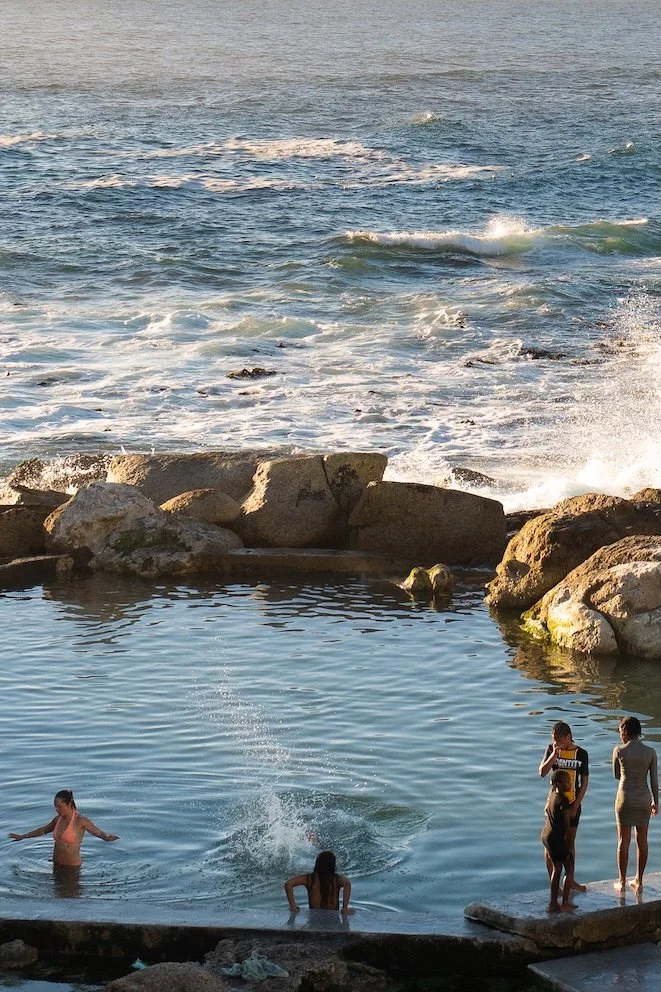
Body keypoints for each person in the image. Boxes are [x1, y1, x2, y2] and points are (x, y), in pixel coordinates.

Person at [8, 789, 119, 868]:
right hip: (56, 865)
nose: (56, 809)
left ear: (69, 804)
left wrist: (107, 837)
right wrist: (22, 836)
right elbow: (43, 830)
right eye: (55, 806)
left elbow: (98, 832)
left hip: (72, 869)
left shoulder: (80, 821)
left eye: (59, 806)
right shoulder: (58, 819)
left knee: (70, 898)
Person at [539, 721, 589, 891]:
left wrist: (576, 805)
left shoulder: (581, 753)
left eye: (559, 740)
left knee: (569, 843)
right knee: (551, 843)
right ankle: (554, 884)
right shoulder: (551, 749)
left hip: (572, 803)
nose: (556, 743)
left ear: (568, 737)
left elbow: (584, 782)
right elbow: (542, 772)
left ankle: (570, 880)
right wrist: (554, 755)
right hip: (554, 805)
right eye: (554, 739)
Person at [612, 716, 658, 893]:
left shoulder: (619, 750)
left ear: (624, 730)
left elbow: (616, 775)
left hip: (625, 797)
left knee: (623, 841)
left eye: (620, 731)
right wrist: (656, 802)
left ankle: (622, 881)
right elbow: (654, 781)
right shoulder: (650, 752)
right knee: (642, 840)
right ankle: (639, 881)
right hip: (643, 798)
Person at [541, 770, 576, 912]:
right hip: (556, 838)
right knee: (568, 867)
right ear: (558, 784)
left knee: (557, 868)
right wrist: (567, 843)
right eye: (567, 781)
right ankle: (563, 903)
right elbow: (567, 824)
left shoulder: (552, 796)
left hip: (546, 835)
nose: (570, 784)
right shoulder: (564, 801)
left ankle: (554, 903)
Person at [284, 850, 353, 914]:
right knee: (354, 911)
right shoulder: (336, 879)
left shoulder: (309, 878)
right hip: (332, 918)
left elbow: (288, 883)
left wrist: (293, 906)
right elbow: (347, 883)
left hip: (313, 917)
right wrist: (344, 907)